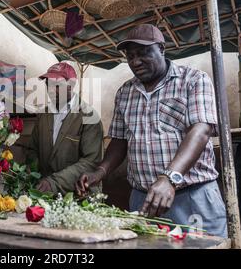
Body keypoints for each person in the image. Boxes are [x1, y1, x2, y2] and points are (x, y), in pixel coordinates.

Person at [75, 24, 228, 237]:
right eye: (130, 56)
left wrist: (169, 178)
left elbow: (201, 130)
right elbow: (119, 140)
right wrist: (100, 172)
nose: (135, 62)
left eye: (144, 53)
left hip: (193, 197)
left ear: (162, 49)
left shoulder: (193, 79)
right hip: (143, 199)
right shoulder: (125, 92)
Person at [27, 62, 104, 195]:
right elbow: (33, 150)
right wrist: (32, 175)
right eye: (48, 84)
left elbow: (91, 162)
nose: (51, 90)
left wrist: (53, 182)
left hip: (79, 195)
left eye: (57, 85)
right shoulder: (44, 115)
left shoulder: (89, 116)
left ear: (71, 85)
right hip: (46, 192)